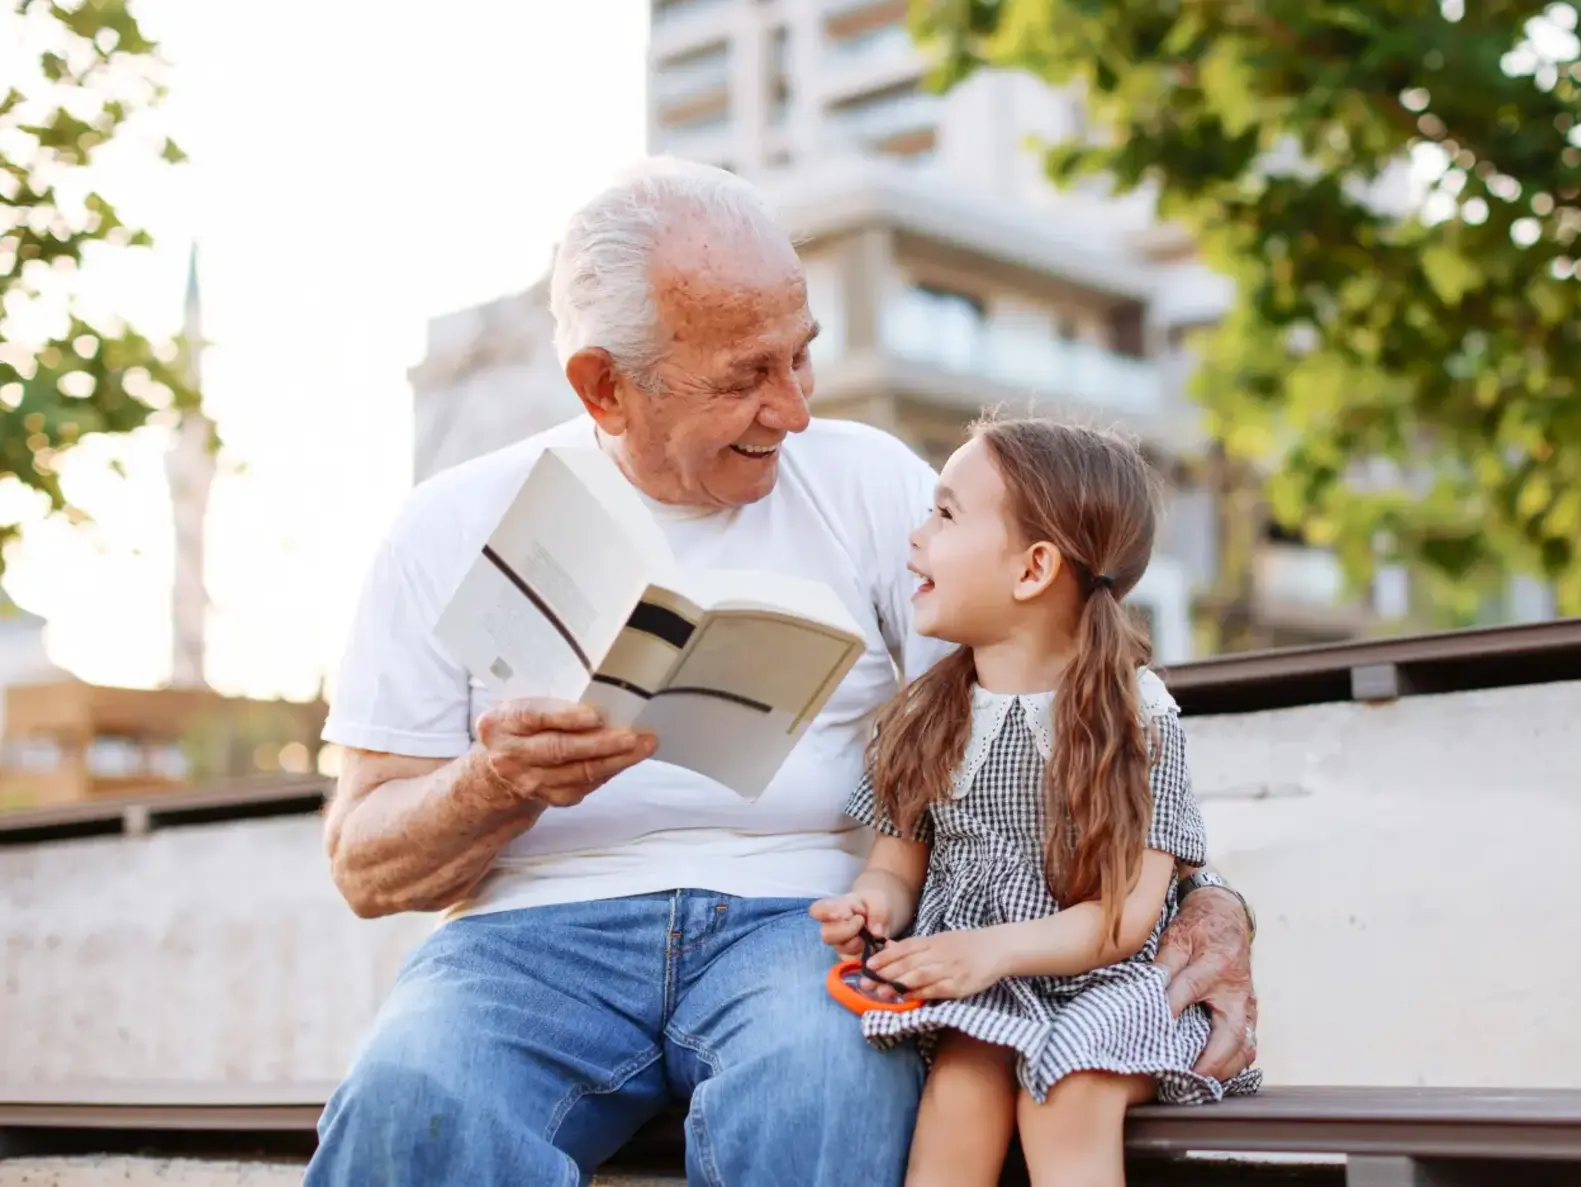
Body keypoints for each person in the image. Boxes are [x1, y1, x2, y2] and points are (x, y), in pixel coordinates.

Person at [306, 156, 1260, 1187]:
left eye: (799, 358)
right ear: (603, 385)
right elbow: (365, 862)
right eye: (742, 378)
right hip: (524, 939)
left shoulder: (868, 482)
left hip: (802, 923)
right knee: (410, 1103)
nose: (793, 409)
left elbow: (1063, 713)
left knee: (824, 1089)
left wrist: (1202, 900)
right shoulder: (447, 525)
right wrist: (497, 785)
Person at [810, 418, 1261, 1187]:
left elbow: (1126, 916)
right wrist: (871, 905)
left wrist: (995, 947)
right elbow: (895, 865)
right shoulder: (927, 715)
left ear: (1034, 568)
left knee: (1066, 1091)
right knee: (960, 1089)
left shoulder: (1136, 717)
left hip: (1108, 985)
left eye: (945, 515)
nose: (916, 537)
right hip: (983, 986)